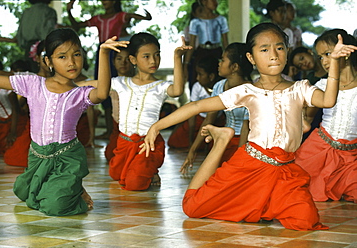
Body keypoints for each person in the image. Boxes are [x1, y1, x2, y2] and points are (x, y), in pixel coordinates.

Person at [141, 22, 357, 231]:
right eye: (264, 49)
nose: (273, 55)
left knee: (305, 220)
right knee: (193, 207)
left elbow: (328, 100)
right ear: (251, 58)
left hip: (285, 170)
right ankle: (221, 142)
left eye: (279, 48)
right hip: (250, 164)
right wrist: (156, 127)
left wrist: (335, 62)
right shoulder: (247, 91)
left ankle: (267, 203)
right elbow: (197, 105)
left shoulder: (301, 88)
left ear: (287, 51)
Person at [0, 28, 120, 216]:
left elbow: (102, 93)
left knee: (54, 206)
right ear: (48, 61)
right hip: (37, 156)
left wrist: (104, 53)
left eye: (76, 55)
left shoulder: (80, 94)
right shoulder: (33, 84)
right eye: (62, 57)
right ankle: (69, 188)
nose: (72, 62)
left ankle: (70, 190)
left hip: (67, 158)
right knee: (21, 190)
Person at [108, 32, 191, 191]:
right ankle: (142, 169)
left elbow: (178, 90)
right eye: (146, 56)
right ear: (133, 60)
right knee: (115, 173)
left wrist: (177, 57)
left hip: (148, 144)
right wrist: (103, 53)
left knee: (134, 184)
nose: (153, 60)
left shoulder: (160, 86)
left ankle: (151, 169)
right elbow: (92, 84)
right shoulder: (120, 82)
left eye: (157, 55)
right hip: (124, 141)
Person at [67, 0, 152, 139]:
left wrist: (145, 17)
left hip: (115, 51)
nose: (104, 2)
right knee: (104, 89)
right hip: (102, 52)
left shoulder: (120, 16)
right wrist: (69, 10)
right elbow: (77, 26)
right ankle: (109, 129)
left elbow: (136, 16)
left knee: (118, 89)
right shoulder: (98, 18)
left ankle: (121, 129)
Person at [295, 29, 357, 203]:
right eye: (321, 57)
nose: (324, 61)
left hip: (351, 157)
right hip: (317, 150)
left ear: (347, 52)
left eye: (328, 54)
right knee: (293, 185)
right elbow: (306, 119)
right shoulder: (321, 85)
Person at [180, 42, 252, 174]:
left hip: (246, 143)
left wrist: (240, 159)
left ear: (234, 67)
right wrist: (193, 150)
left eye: (223, 60)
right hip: (224, 139)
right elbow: (208, 120)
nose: (219, 63)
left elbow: (245, 128)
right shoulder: (219, 86)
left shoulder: (251, 91)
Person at [167, 56, 223, 150]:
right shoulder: (197, 87)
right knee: (174, 141)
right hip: (199, 119)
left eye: (200, 74)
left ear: (211, 76)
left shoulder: (220, 86)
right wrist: (190, 138)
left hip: (217, 120)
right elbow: (193, 113)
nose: (197, 78)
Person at [183, 0, 229, 91]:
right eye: (212, 0)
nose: (216, 3)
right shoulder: (195, 22)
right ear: (204, 2)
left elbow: (225, 43)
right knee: (197, 78)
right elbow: (191, 45)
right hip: (202, 52)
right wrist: (186, 65)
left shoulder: (221, 19)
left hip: (217, 52)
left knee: (219, 78)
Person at [104, 47, 134, 161]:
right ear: (113, 62)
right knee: (110, 155)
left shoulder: (137, 82)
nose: (123, 63)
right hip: (117, 125)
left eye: (127, 59)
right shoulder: (112, 82)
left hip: (134, 127)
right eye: (119, 59)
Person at [16, 0, 57, 72]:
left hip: (28, 49)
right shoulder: (49, 11)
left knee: (31, 76)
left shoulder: (27, 12)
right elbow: (49, 32)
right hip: (44, 47)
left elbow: (19, 35)